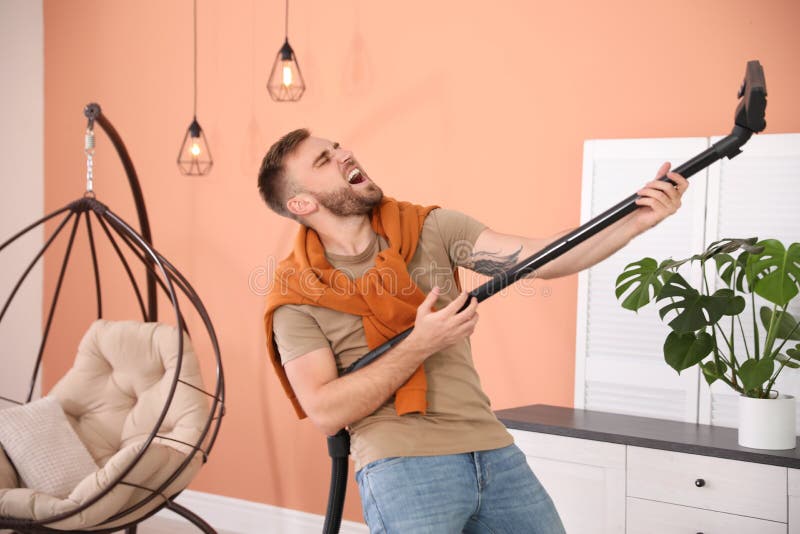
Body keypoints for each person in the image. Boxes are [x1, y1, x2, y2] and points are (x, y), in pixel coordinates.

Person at [259, 128, 688, 534]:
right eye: (324, 159)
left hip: (493, 450)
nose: (343, 153)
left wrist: (637, 220)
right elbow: (325, 410)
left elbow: (540, 258)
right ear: (301, 203)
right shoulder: (297, 295)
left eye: (336, 145)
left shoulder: (429, 227)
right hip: (401, 463)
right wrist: (420, 344)